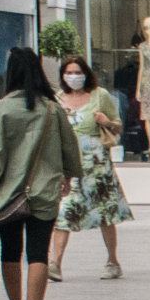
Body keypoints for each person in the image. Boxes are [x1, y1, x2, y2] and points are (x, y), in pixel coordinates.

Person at [0, 46, 82, 300]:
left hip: (7, 195)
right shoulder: (52, 108)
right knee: (39, 254)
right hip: (44, 192)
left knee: (10, 251)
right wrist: (69, 175)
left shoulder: (0, 110)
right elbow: (70, 149)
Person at [47, 54, 131, 281]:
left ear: (86, 74)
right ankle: (55, 264)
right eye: (69, 73)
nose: (74, 77)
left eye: (78, 72)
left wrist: (105, 121)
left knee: (105, 213)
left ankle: (113, 260)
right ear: (63, 76)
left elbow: (118, 127)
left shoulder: (99, 95)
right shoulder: (57, 99)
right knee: (65, 212)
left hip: (96, 163)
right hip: (70, 165)